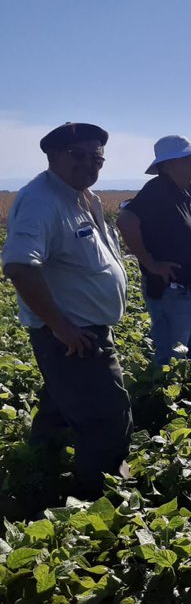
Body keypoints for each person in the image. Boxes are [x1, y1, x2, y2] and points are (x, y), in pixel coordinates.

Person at [1, 122, 132, 503]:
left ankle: (35, 471)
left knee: (60, 405)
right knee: (107, 416)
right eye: (77, 155)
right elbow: (20, 266)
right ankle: (101, 501)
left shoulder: (82, 196)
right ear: (53, 156)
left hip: (81, 328)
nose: (88, 164)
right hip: (73, 334)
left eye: (96, 157)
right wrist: (61, 327)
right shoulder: (42, 200)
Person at [118, 136, 191, 365]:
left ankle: (184, 395)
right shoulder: (158, 190)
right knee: (172, 359)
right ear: (170, 164)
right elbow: (126, 221)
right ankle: (165, 398)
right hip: (174, 293)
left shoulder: (180, 192)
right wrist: (151, 263)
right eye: (190, 159)